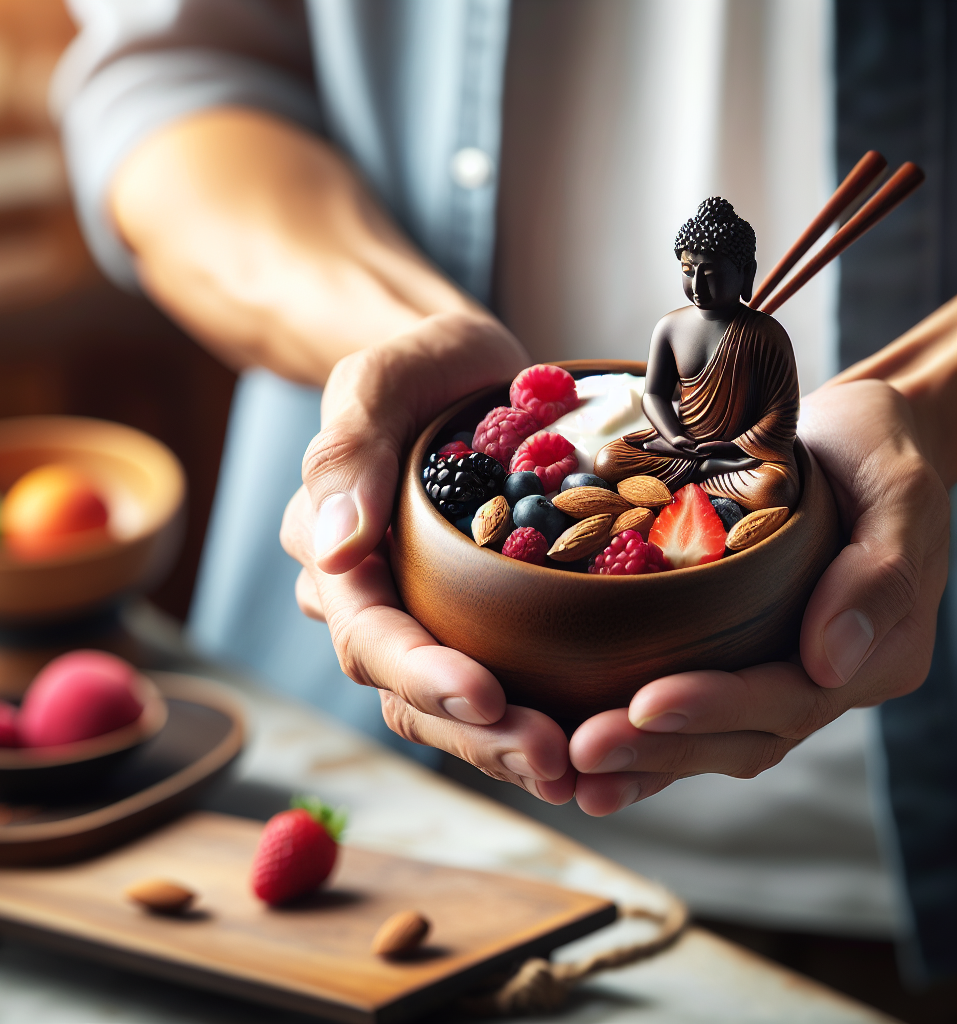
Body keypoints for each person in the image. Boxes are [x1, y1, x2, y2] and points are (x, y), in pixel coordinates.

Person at [53, 0, 954, 985]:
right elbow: (177, 84)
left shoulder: (754, 339)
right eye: (694, 270)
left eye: (718, 271)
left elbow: (764, 420)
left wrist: (917, 401)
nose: (704, 283)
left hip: (874, 877)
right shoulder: (674, 338)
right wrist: (392, 340)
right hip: (400, 826)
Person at [595, 197, 801, 511]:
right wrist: (675, 437)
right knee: (608, 460)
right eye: (689, 271)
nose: (698, 288)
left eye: (712, 274)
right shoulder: (670, 326)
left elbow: (782, 415)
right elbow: (654, 396)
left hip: (739, 455)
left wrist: (734, 446)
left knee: (775, 490)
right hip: (683, 446)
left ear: (746, 273)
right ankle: (704, 472)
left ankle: (699, 474)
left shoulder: (766, 334)